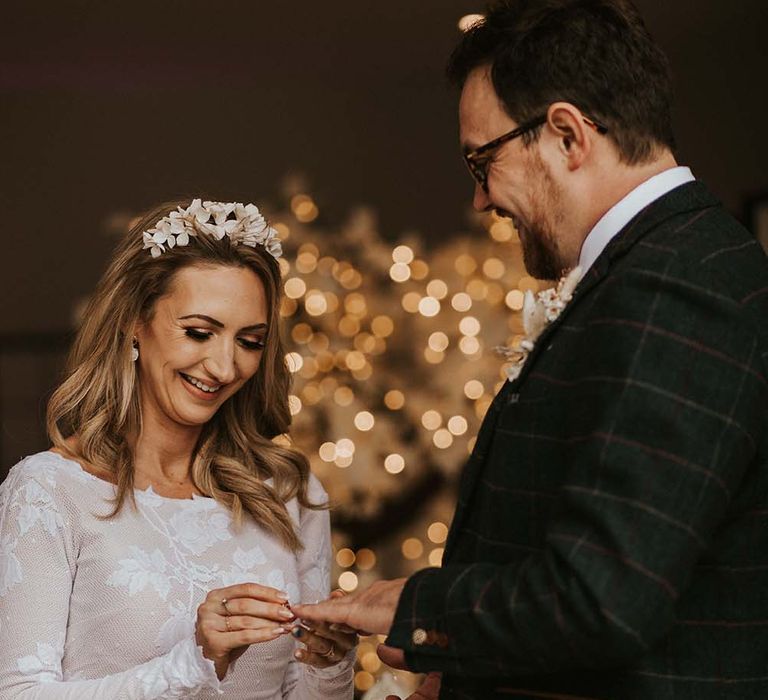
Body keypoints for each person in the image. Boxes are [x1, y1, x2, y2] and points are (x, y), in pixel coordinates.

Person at [294, 1, 768, 698]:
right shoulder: (657, 267)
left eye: (482, 162)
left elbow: (601, 597)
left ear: (568, 136)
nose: (481, 201)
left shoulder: (676, 286)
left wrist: (419, 610)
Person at [0, 199, 356, 698]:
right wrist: (192, 661)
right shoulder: (48, 492)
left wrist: (330, 666)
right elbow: (19, 694)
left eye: (250, 341)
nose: (224, 366)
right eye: (198, 333)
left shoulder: (287, 491)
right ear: (135, 322)